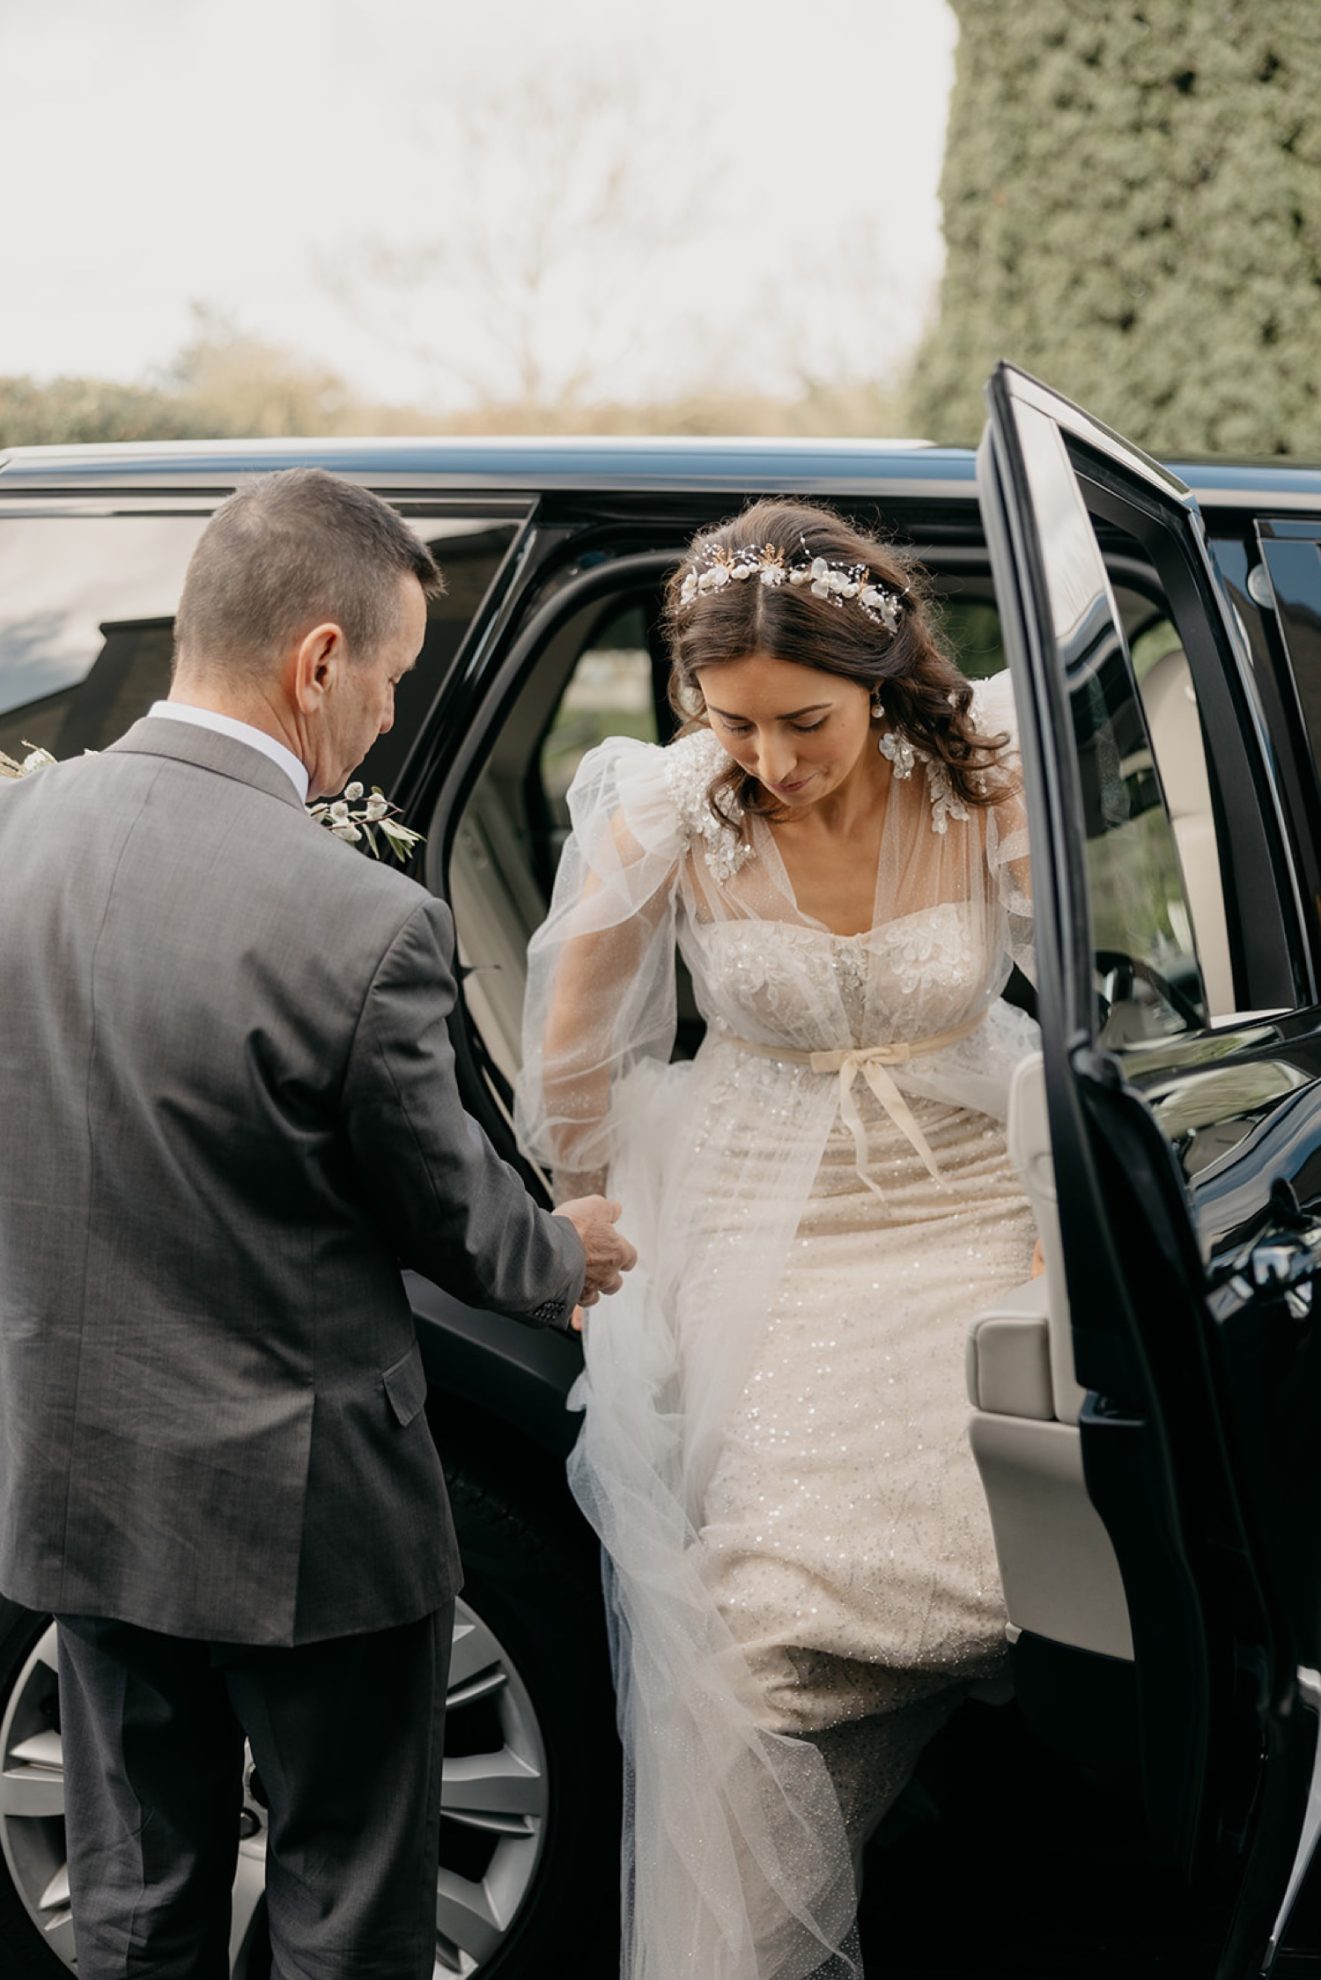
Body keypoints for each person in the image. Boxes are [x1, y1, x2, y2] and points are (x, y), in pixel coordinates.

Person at [0, 468, 636, 1980]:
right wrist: (577, 1248)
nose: (387, 719)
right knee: (347, 1909)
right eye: (395, 677)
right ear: (317, 661)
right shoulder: (364, 925)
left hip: (79, 1479)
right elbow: (459, 1225)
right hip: (307, 1529)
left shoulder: (21, 838)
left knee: (129, 1906)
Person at [515, 498, 1039, 1978]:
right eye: (734, 724)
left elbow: (1084, 1023)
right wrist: (581, 1221)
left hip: (972, 1206)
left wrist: (1067, 1232)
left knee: (995, 1568)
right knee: (760, 1625)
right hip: (766, 1232)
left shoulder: (990, 787)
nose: (772, 763)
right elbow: (570, 1056)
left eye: (804, 720)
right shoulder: (665, 809)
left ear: (881, 673)